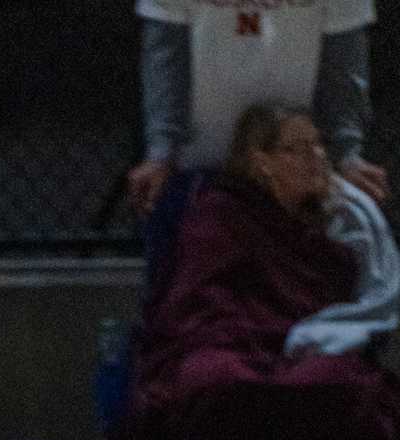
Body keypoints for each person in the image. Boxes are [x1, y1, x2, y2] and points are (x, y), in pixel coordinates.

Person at [121, 104, 400, 440]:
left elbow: (369, 299)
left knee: (340, 392)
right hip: (228, 339)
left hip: (312, 339)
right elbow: (200, 298)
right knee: (219, 385)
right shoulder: (221, 211)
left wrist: (312, 338)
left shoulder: (343, 218)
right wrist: (246, 337)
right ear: (261, 161)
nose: (316, 158)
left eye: (319, 145)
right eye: (298, 148)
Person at [129, 0, 385, 286]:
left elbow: (342, 69)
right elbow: (166, 61)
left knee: (296, 287)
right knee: (192, 282)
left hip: (290, 169)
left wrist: (345, 155)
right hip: (201, 160)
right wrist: (161, 152)